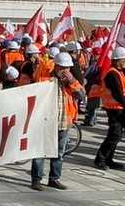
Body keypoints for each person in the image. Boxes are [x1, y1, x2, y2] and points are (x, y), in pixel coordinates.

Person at [31, 52, 85, 190]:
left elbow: (81, 95)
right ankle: (36, 179)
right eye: (62, 68)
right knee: (40, 152)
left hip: (64, 122)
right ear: (56, 66)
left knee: (59, 153)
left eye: (67, 68)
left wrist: (72, 81)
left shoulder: (71, 81)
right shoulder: (45, 79)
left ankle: (54, 178)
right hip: (46, 122)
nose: (65, 71)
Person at [92, 47, 125, 170]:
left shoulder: (118, 72)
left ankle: (108, 159)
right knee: (114, 135)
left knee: (116, 135)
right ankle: (101, 159)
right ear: (119, 60)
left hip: (118, 108)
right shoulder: (112, 74)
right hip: (114, 108)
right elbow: (117, 93)